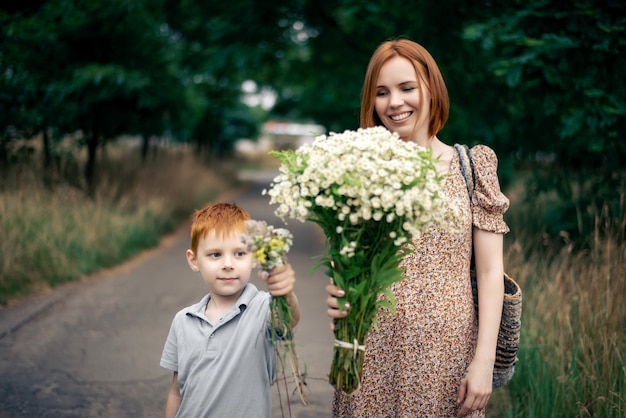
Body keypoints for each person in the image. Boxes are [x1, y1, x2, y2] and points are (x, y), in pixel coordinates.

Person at [326, 38, 510, 417]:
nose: (394, 103)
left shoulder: (471, 167)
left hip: (447, 356)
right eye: (381, 93)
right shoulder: (360, 171)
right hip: (372, 352)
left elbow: (491, 271)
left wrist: (484, 362)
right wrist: (339, 294)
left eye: (407, 88)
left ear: (431, 89)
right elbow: (348, 266)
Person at [160, 202, 301, 418]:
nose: (228, 264)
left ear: (254, 256)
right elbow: (176, 392)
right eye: (215, 255)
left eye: (239, 254)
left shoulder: (262, 308)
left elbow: (288, 317)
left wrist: (285, 293)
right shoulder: (183, 321)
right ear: (194, 260)